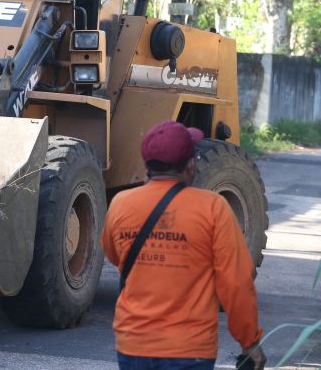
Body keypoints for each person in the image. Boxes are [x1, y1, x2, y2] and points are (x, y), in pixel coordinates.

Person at [101, 121, 267, 370]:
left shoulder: (120, 204)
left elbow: (114, 255)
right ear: (190, 165)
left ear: (148, 165)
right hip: (190, 350)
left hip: (134, 346)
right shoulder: (213, 208)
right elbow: (236, 285)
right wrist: (249, 343)